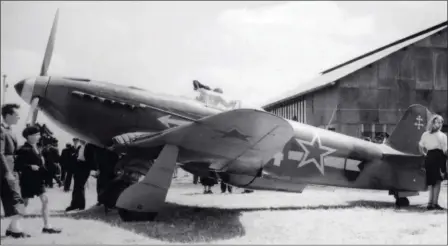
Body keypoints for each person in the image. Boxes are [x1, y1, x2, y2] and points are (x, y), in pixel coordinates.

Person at [15, 126, 62, 234]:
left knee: (45, 200)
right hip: (28, 180)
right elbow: (17, 166)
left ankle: (47, 226)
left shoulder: (38, 148)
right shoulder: (23, 150)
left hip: (38, 180)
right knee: (24, 203)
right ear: (29, 137)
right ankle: (13, 226)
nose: (39, 136)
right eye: (36, 135)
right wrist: (30, 166)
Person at [1, 103, 29, 238]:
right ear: (8, 115)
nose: (19, 118)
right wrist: (7, 172)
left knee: (15, 198)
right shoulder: (1, 130)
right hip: (5, 170)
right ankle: (16, 230)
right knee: (15, 199)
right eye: (17, 115)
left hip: (12, 169)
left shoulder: (10, 131)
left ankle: (13, 228)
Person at [418, 114, 447, 210]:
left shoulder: (425, 134)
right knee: (437, 181)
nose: (440, 124)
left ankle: (430, 203)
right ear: (433, 123)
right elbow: (445, 150)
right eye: (438, 122)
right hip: (439, 157)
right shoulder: (442, 136)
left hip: (429, 157)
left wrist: (424, 154)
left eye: (441, 122)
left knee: (431, 181)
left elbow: (420, 146)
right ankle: (434, 203)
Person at [65, 140, 98, 212]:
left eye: (82, 139)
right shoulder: (80, 147)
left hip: (85, 167)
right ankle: (74, 205)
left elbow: (92, 159)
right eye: (80, 139)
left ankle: (81, 205)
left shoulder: (90, 147)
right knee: (76, 186)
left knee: (80, 186)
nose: (81, 140)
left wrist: (92, 169)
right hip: (78, 166)